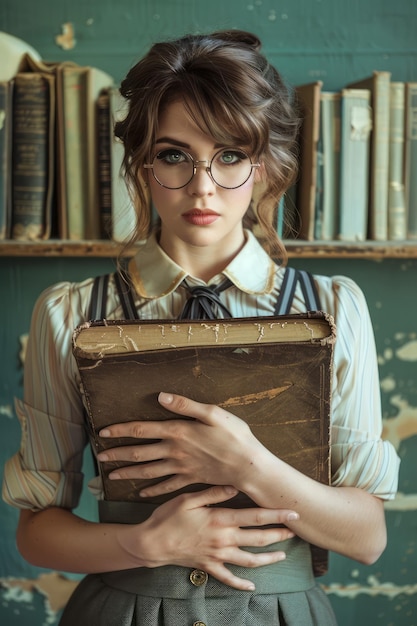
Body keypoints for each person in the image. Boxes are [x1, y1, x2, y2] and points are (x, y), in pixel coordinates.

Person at [3, 30, 400, 626]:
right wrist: (143, 544)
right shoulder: (71, 314)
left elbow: (368, 537)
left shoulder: (333, 309)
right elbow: (35, 533)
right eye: (173, 155)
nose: (202, 187)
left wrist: (246, 466)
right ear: (141, 162)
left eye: (230, 156)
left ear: (263, 165)